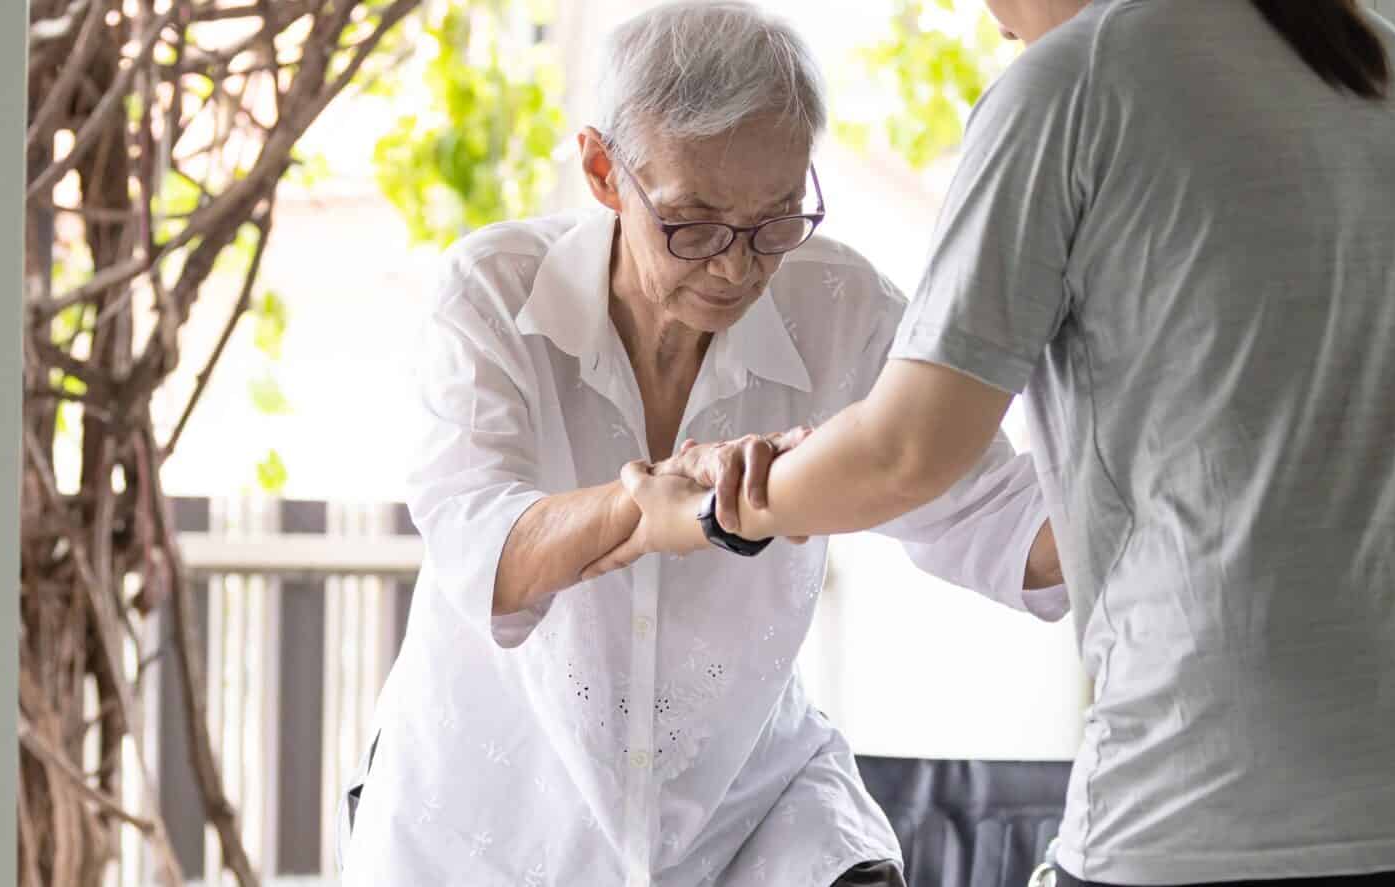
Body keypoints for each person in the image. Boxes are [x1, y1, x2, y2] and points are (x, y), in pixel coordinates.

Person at [627, 2, 1395, 886]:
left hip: (1244, 770)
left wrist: (726, 497)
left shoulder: (1071, 85)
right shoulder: (1386, 65)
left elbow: (908, 449)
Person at [339, 3, 1067, 885]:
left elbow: (990, 511)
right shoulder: (493, 293)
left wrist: (1175, 488)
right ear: (605, 171)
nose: (736, 266)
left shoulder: (840, 304)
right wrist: (645, 511)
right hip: (490, 828)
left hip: (754, 818)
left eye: (775, 221)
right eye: (695, 225)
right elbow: (483, 549)